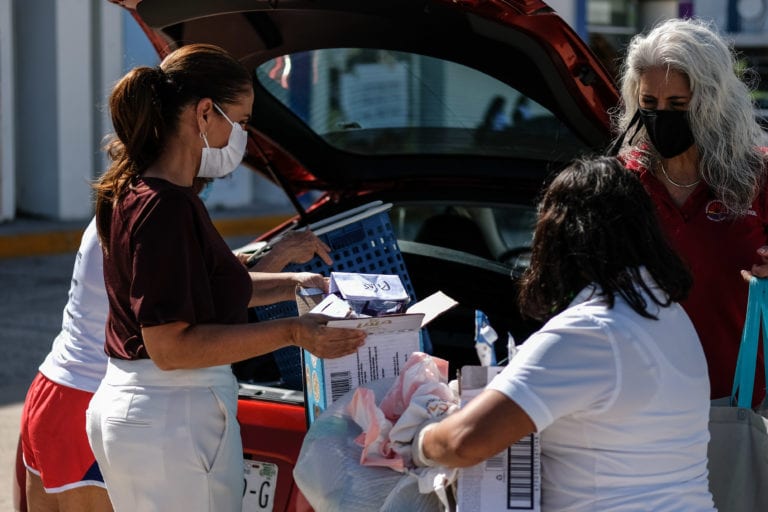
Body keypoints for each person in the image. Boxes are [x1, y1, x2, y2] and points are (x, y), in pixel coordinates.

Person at [84, 43, 366, 512]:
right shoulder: (165, 207)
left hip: (152, 418)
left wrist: (297, 286)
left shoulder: (145, 192)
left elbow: (205, 293)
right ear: (203, 114)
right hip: (170, 422)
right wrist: (294, 332)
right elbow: (170, 345)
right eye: (242, 121)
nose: (244, 136)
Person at [17, 175, 337, 512]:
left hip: (51, 391)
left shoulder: (124, 205)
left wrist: (295, 282)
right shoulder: (157, 214)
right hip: (86, 398)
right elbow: (214, 302)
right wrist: (292, 321)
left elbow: (214, 285)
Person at [412, 157, 715, 510]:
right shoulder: (668, 314)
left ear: (558, 239)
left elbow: (465, 442)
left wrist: (420, 440)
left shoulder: (590, 332)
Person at [608, 17, 768, 403]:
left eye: (677, 104)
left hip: (739, 403)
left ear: (713, 102)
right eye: (649, 103)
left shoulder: (758, 176)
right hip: (642, 405)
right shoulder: (620, 182)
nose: (661, 114)